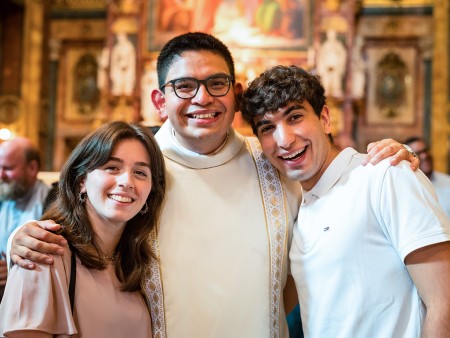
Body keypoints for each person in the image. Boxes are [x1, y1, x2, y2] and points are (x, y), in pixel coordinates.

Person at [8, 33, 417, 338]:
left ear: (236, 95)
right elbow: (83, 229)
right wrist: (20, 239)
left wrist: (384, 156)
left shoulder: (273, 161)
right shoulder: (138, 169)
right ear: (159, 100)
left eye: (217, 84)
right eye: (184, 86)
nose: (202, 98)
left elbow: (326, 213)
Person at [241, 65, 450, 337]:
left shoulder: (384, 175)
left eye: (294, 117)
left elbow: (444, 302)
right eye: (267, 127)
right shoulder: (297, 206)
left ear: (325, 118)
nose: (284, 140)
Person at [0, 121, 165, 336]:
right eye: (112, 168)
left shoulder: (136, 264)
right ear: (81, 181)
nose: (127, 181)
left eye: (140, 172)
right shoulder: (44, 252)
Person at [0, 137, 51, 301]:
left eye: (7, 168)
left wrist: (14, 271)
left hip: (35, 294)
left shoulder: (53, 202)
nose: (1, 175)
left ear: (32, 168)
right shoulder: (2, 197)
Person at [405, 136, 450, 218]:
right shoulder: (406, 187)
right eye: (417, 153)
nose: (424, 156)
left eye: (425, 150)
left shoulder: (447, 182)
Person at [316, 29, 347, 98]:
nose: (331, 37)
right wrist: (322, 67)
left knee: (336, 81)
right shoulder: (325, 45)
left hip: (336, 67)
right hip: (326, 67)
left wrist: (340, 65)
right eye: (330, 35)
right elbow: (321, 57)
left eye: (333, 35)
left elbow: (343, 56)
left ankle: (336, 90)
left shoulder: (338, 45)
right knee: (326, 81)